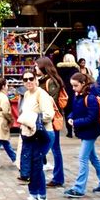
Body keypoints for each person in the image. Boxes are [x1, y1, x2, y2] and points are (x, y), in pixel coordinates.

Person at [63, 72, 100, 199]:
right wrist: (70, 117)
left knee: (82, 158)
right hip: (85, 130)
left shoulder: (90, 97)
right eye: (72, 86)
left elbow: (92, 117)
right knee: (93, 158)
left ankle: (79, 188)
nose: (73, 88)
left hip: (90, 131)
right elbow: (75, 111)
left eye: (75, 85)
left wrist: (75, 122)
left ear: (83, 84)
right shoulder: (78, 95)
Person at [16, 71, 55, 200]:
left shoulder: (41, 94)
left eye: (31, 78)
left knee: (34, 165)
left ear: (36, 79)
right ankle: (41, 196)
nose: (28, 81)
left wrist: (31, 119)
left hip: (42, 133)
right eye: (25, 79)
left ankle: (34, 196)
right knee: (35, 164)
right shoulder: (27, 94)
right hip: (31, 134)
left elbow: (49, 114)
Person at [36, 56, 65, 188]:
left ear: (43, 67)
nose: (35, 68)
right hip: (43, 118)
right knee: (46, 146)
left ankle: (58, 177)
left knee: (55, 148)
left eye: (37, 66)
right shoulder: (42, 80)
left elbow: (50, 102)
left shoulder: (51, 82)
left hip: (51, 119)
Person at [57, 54, 78, 137]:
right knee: (75, 111)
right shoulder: (75, 70)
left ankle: (69, 132)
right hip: (74, 92)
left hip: (64, 93)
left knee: (67, 112)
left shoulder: (60, 70)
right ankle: (76, 130)